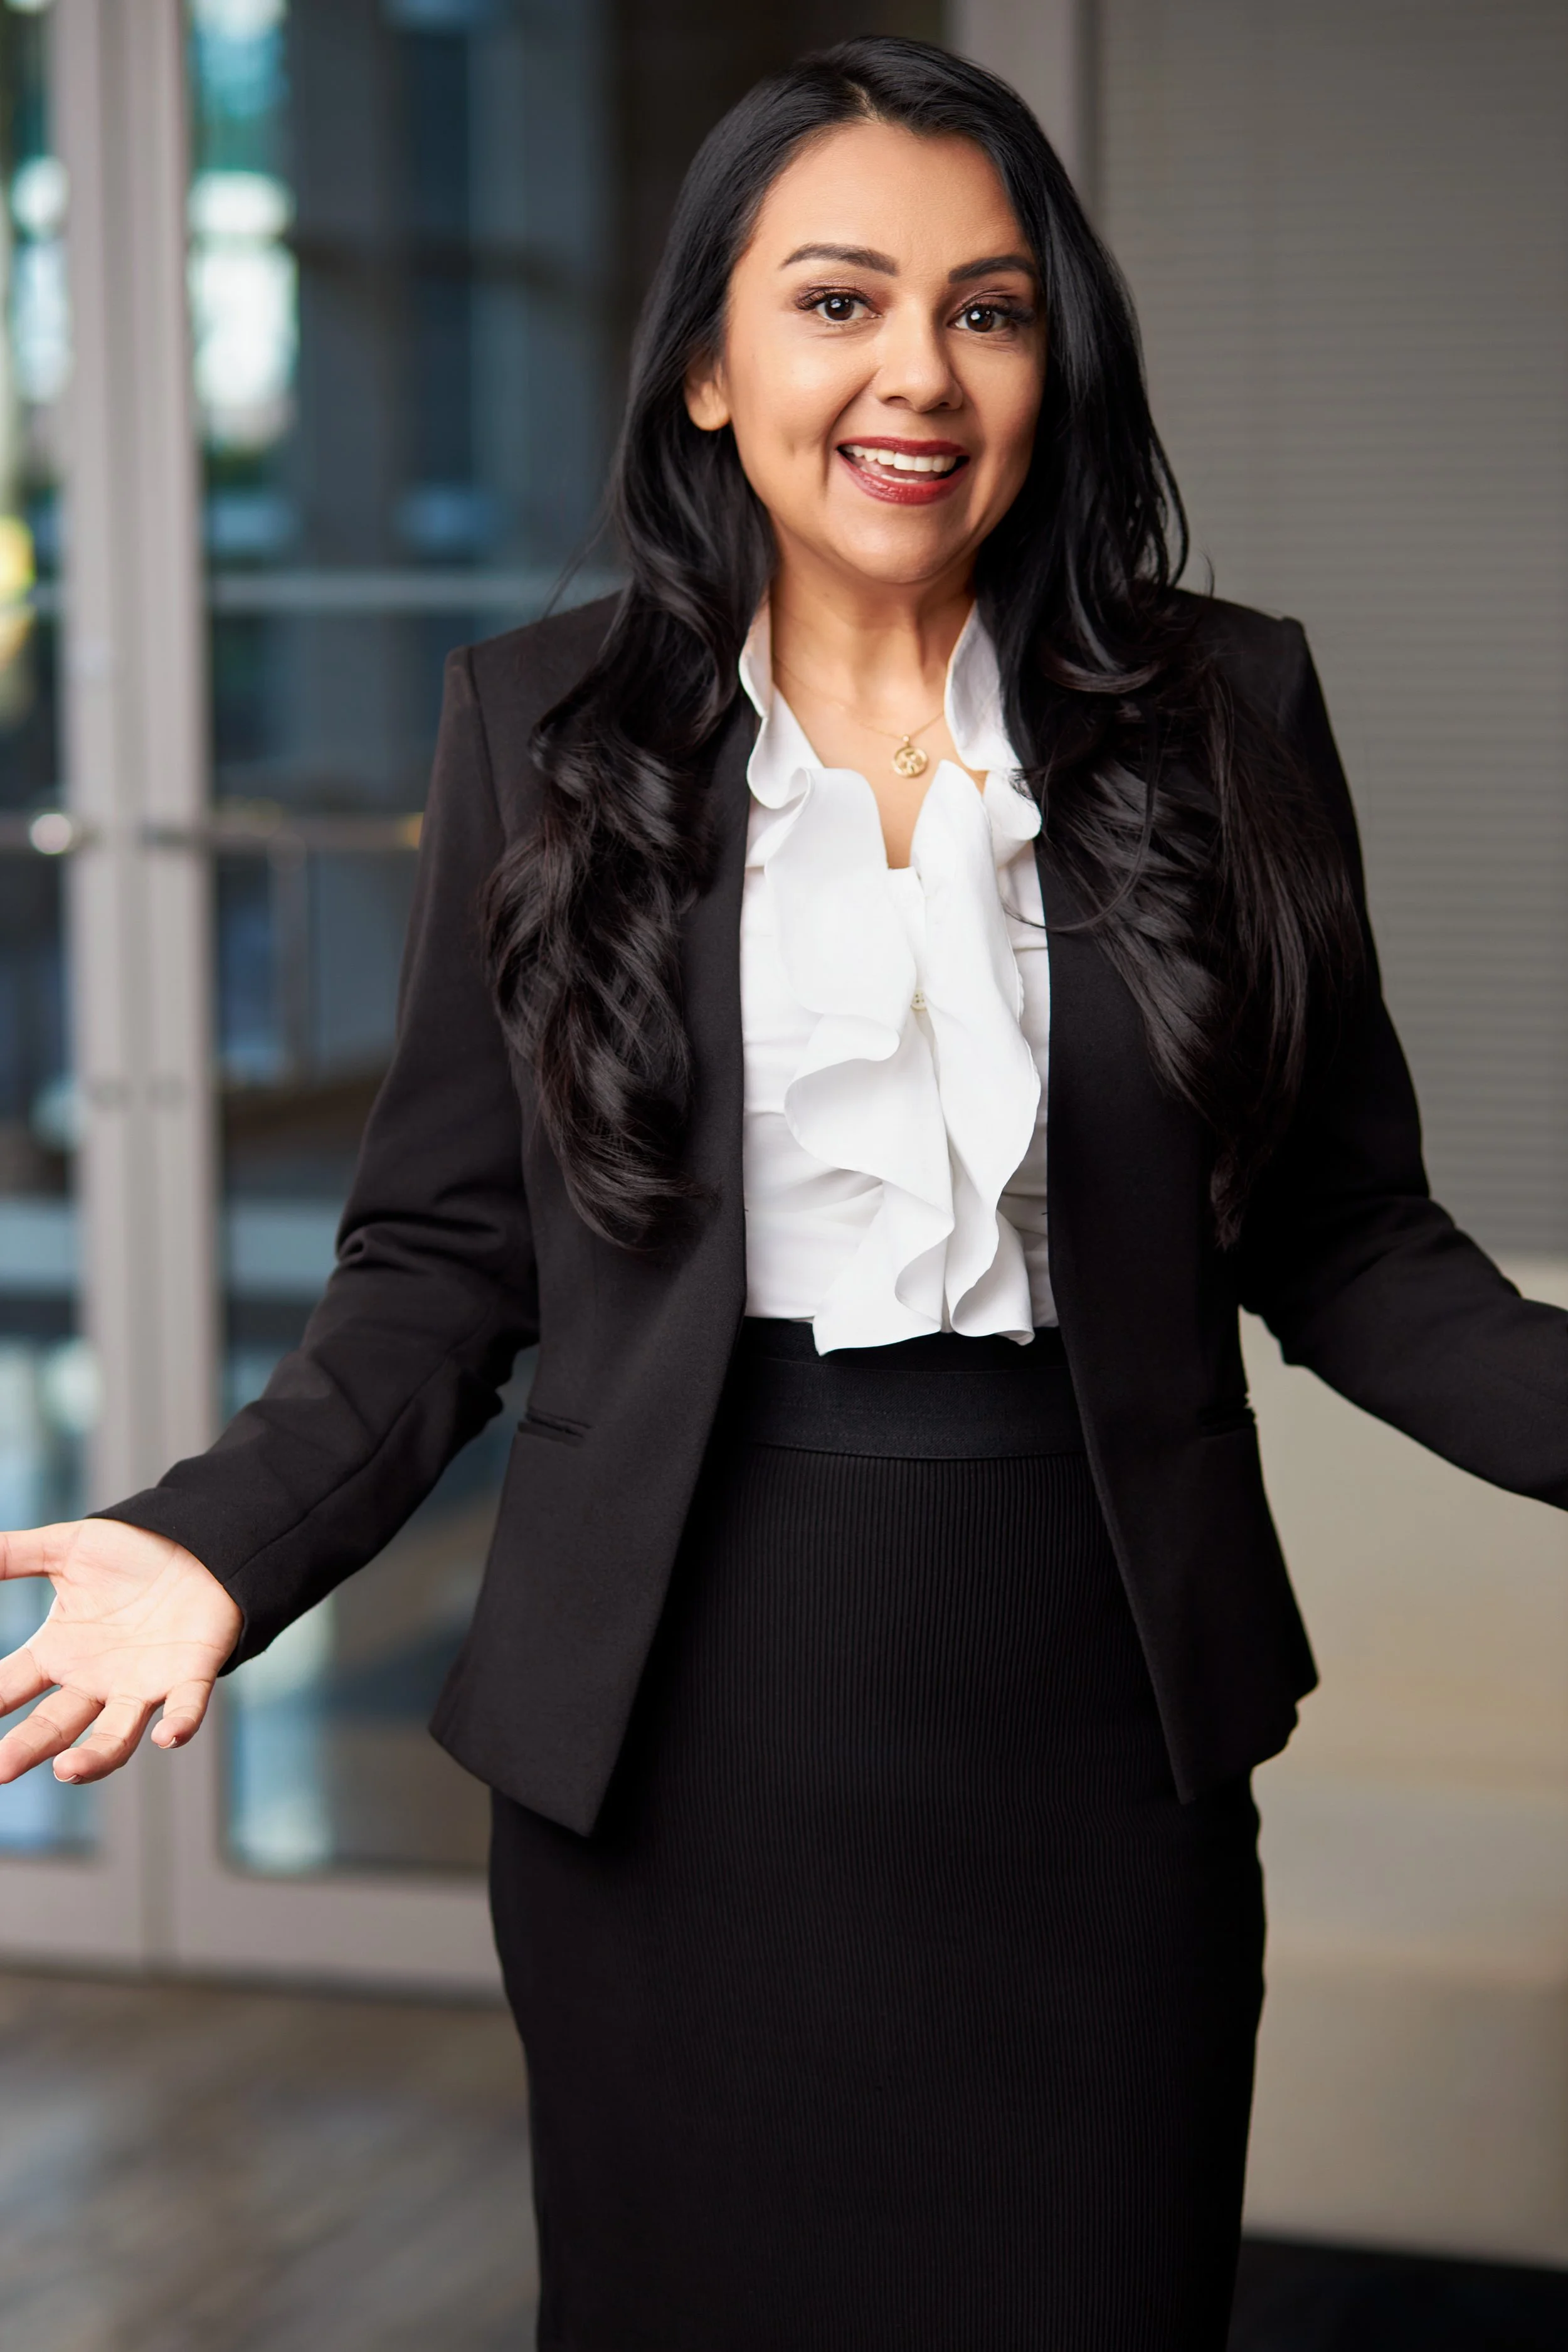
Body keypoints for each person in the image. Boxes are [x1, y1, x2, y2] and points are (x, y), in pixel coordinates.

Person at [2, 34, 1564, 2350]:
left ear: (1052, 363)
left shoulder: (1222, 714)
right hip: (677, 1728)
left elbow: (1339, 1230)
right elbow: (445, 1259)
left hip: (1093, 1711)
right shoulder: (543, 730)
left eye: (989, 307)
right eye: (836, 301)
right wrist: (225, 1537)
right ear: (712, 371)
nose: (914, 372)